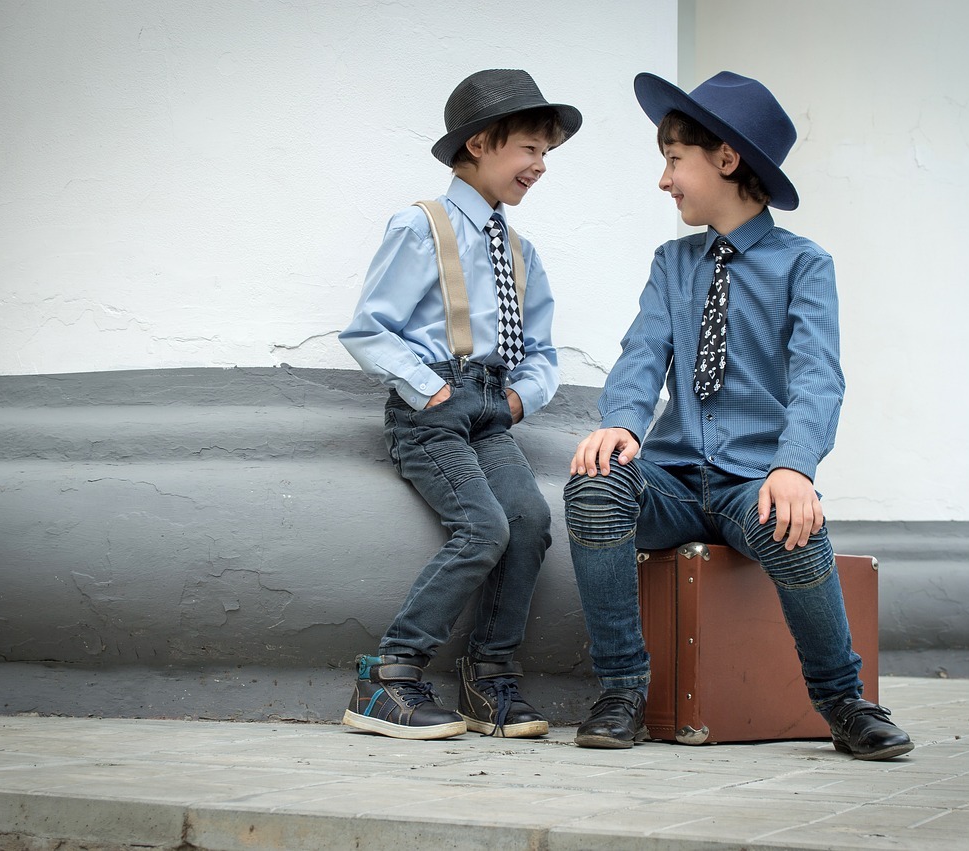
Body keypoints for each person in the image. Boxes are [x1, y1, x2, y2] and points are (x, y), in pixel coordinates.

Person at [563, 71, 913, 760]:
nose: (664, 180)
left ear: (726, 158)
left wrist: (795, 468)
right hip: (670, 481)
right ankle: (623, 692)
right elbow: (643, 353)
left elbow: (818, 378)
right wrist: (622, 424)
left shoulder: (804, 264)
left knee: (794, 524)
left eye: (674, 160)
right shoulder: (672, 263)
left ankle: (844, 703)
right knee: (595, 483)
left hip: (752, 481)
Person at [338, 69, 580, 740]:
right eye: (529, 148)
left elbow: (543, 352)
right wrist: (433, 390)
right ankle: (387, 676)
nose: (540, 165)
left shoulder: (520, 253)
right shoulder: (423, 227)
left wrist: (516, 402)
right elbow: (368, 329)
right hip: (431, 413)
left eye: (545, 153)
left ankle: (488, 677)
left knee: (529, 520)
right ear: (479, 144)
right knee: (483, 528)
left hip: (490, 410)